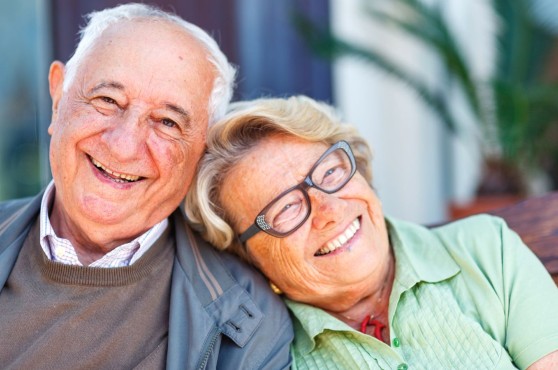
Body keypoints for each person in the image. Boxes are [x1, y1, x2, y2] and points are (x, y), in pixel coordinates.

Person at [0, 4, 292, 369]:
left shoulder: (250, 325)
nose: (123, 145)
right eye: (107, 100)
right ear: (58, 99)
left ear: (203, 151)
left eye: (167, 123)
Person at [185, 95, 558, 369]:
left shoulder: (487, 250)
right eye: (286, 208)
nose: (329, 209)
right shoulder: (272, 355)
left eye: (329, 172)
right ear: (247, 254)